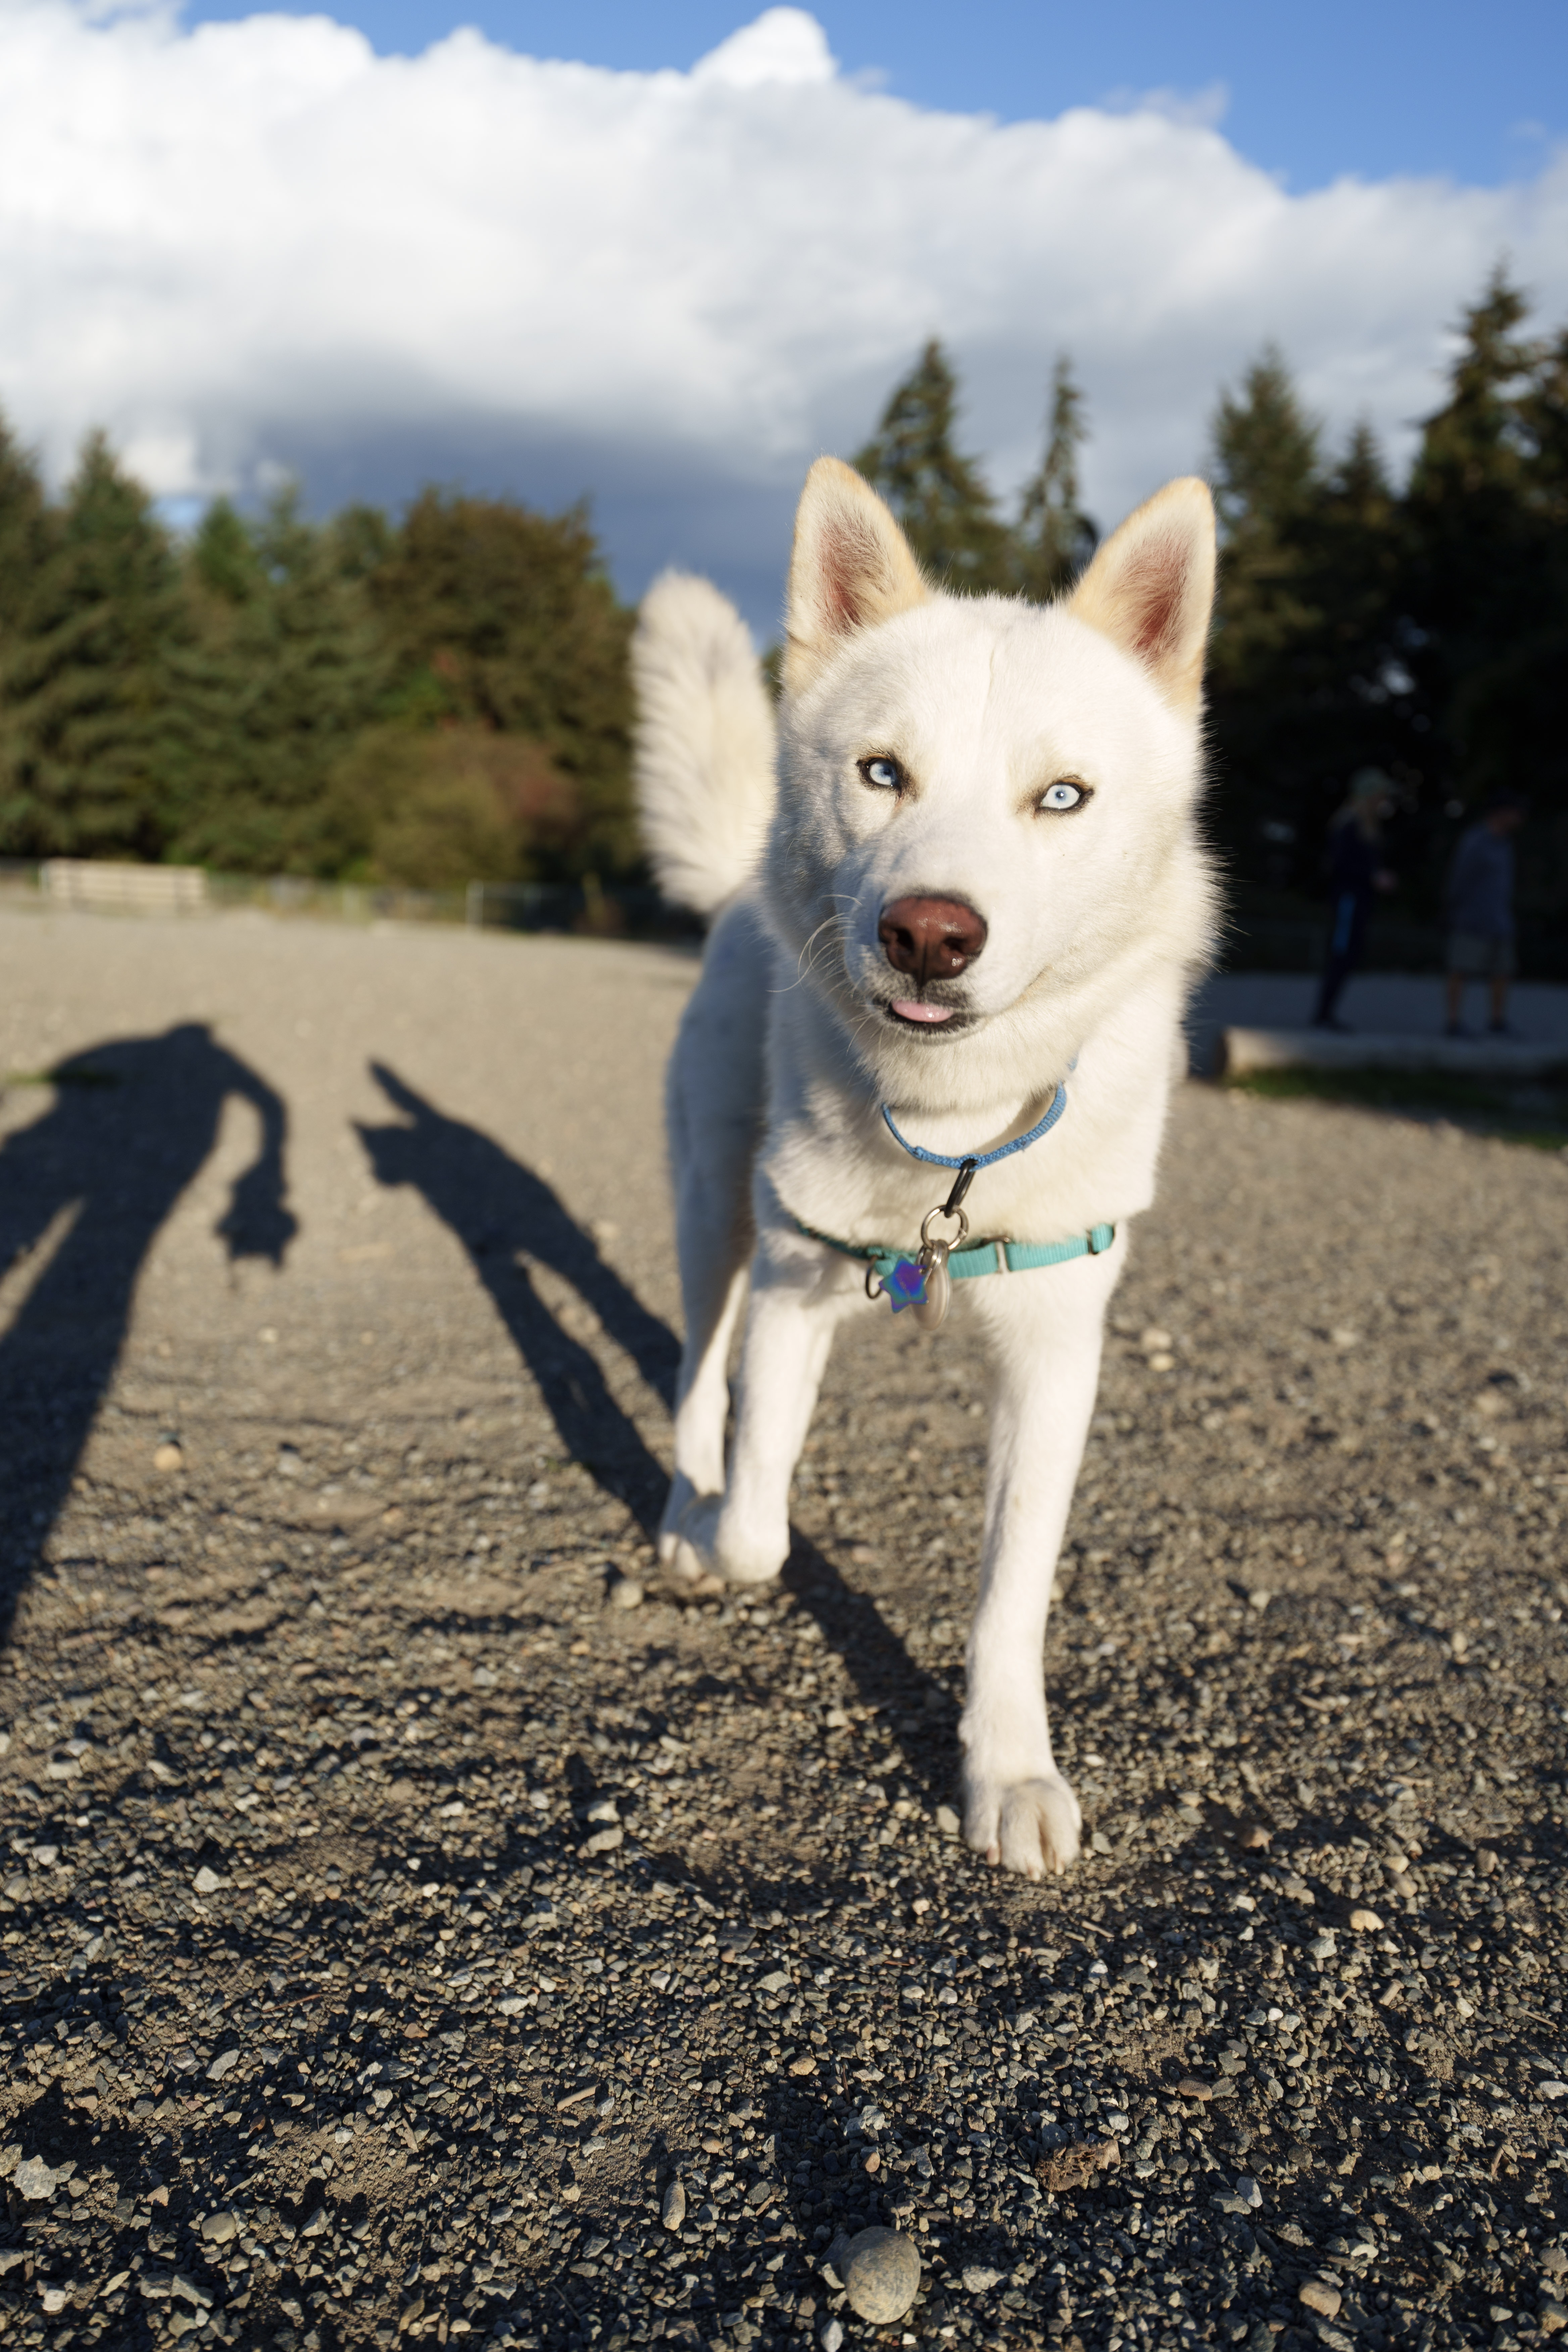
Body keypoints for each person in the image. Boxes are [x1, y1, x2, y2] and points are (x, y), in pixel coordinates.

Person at [1312, 768, 1396, 1031]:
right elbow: (1339, 865)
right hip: (1348, 900)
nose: (1384, 801)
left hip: (1359, 900)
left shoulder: (1367, 826)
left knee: (1348, 955)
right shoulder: (1348, 824)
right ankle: (1323, 1015)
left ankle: (1327, 1013)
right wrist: (1372, 876)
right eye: (1381, 795)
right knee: (1340, 953)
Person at [1444, 791, 1525, 1037]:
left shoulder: (1506, 843)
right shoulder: (1476, 841)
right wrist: (1453, 909)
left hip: (1500, 919)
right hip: (1472, 919)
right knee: (1461, 968)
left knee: (1503, 971)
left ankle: (1497, 1020)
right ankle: (1453, 1021)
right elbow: (1460, 879)